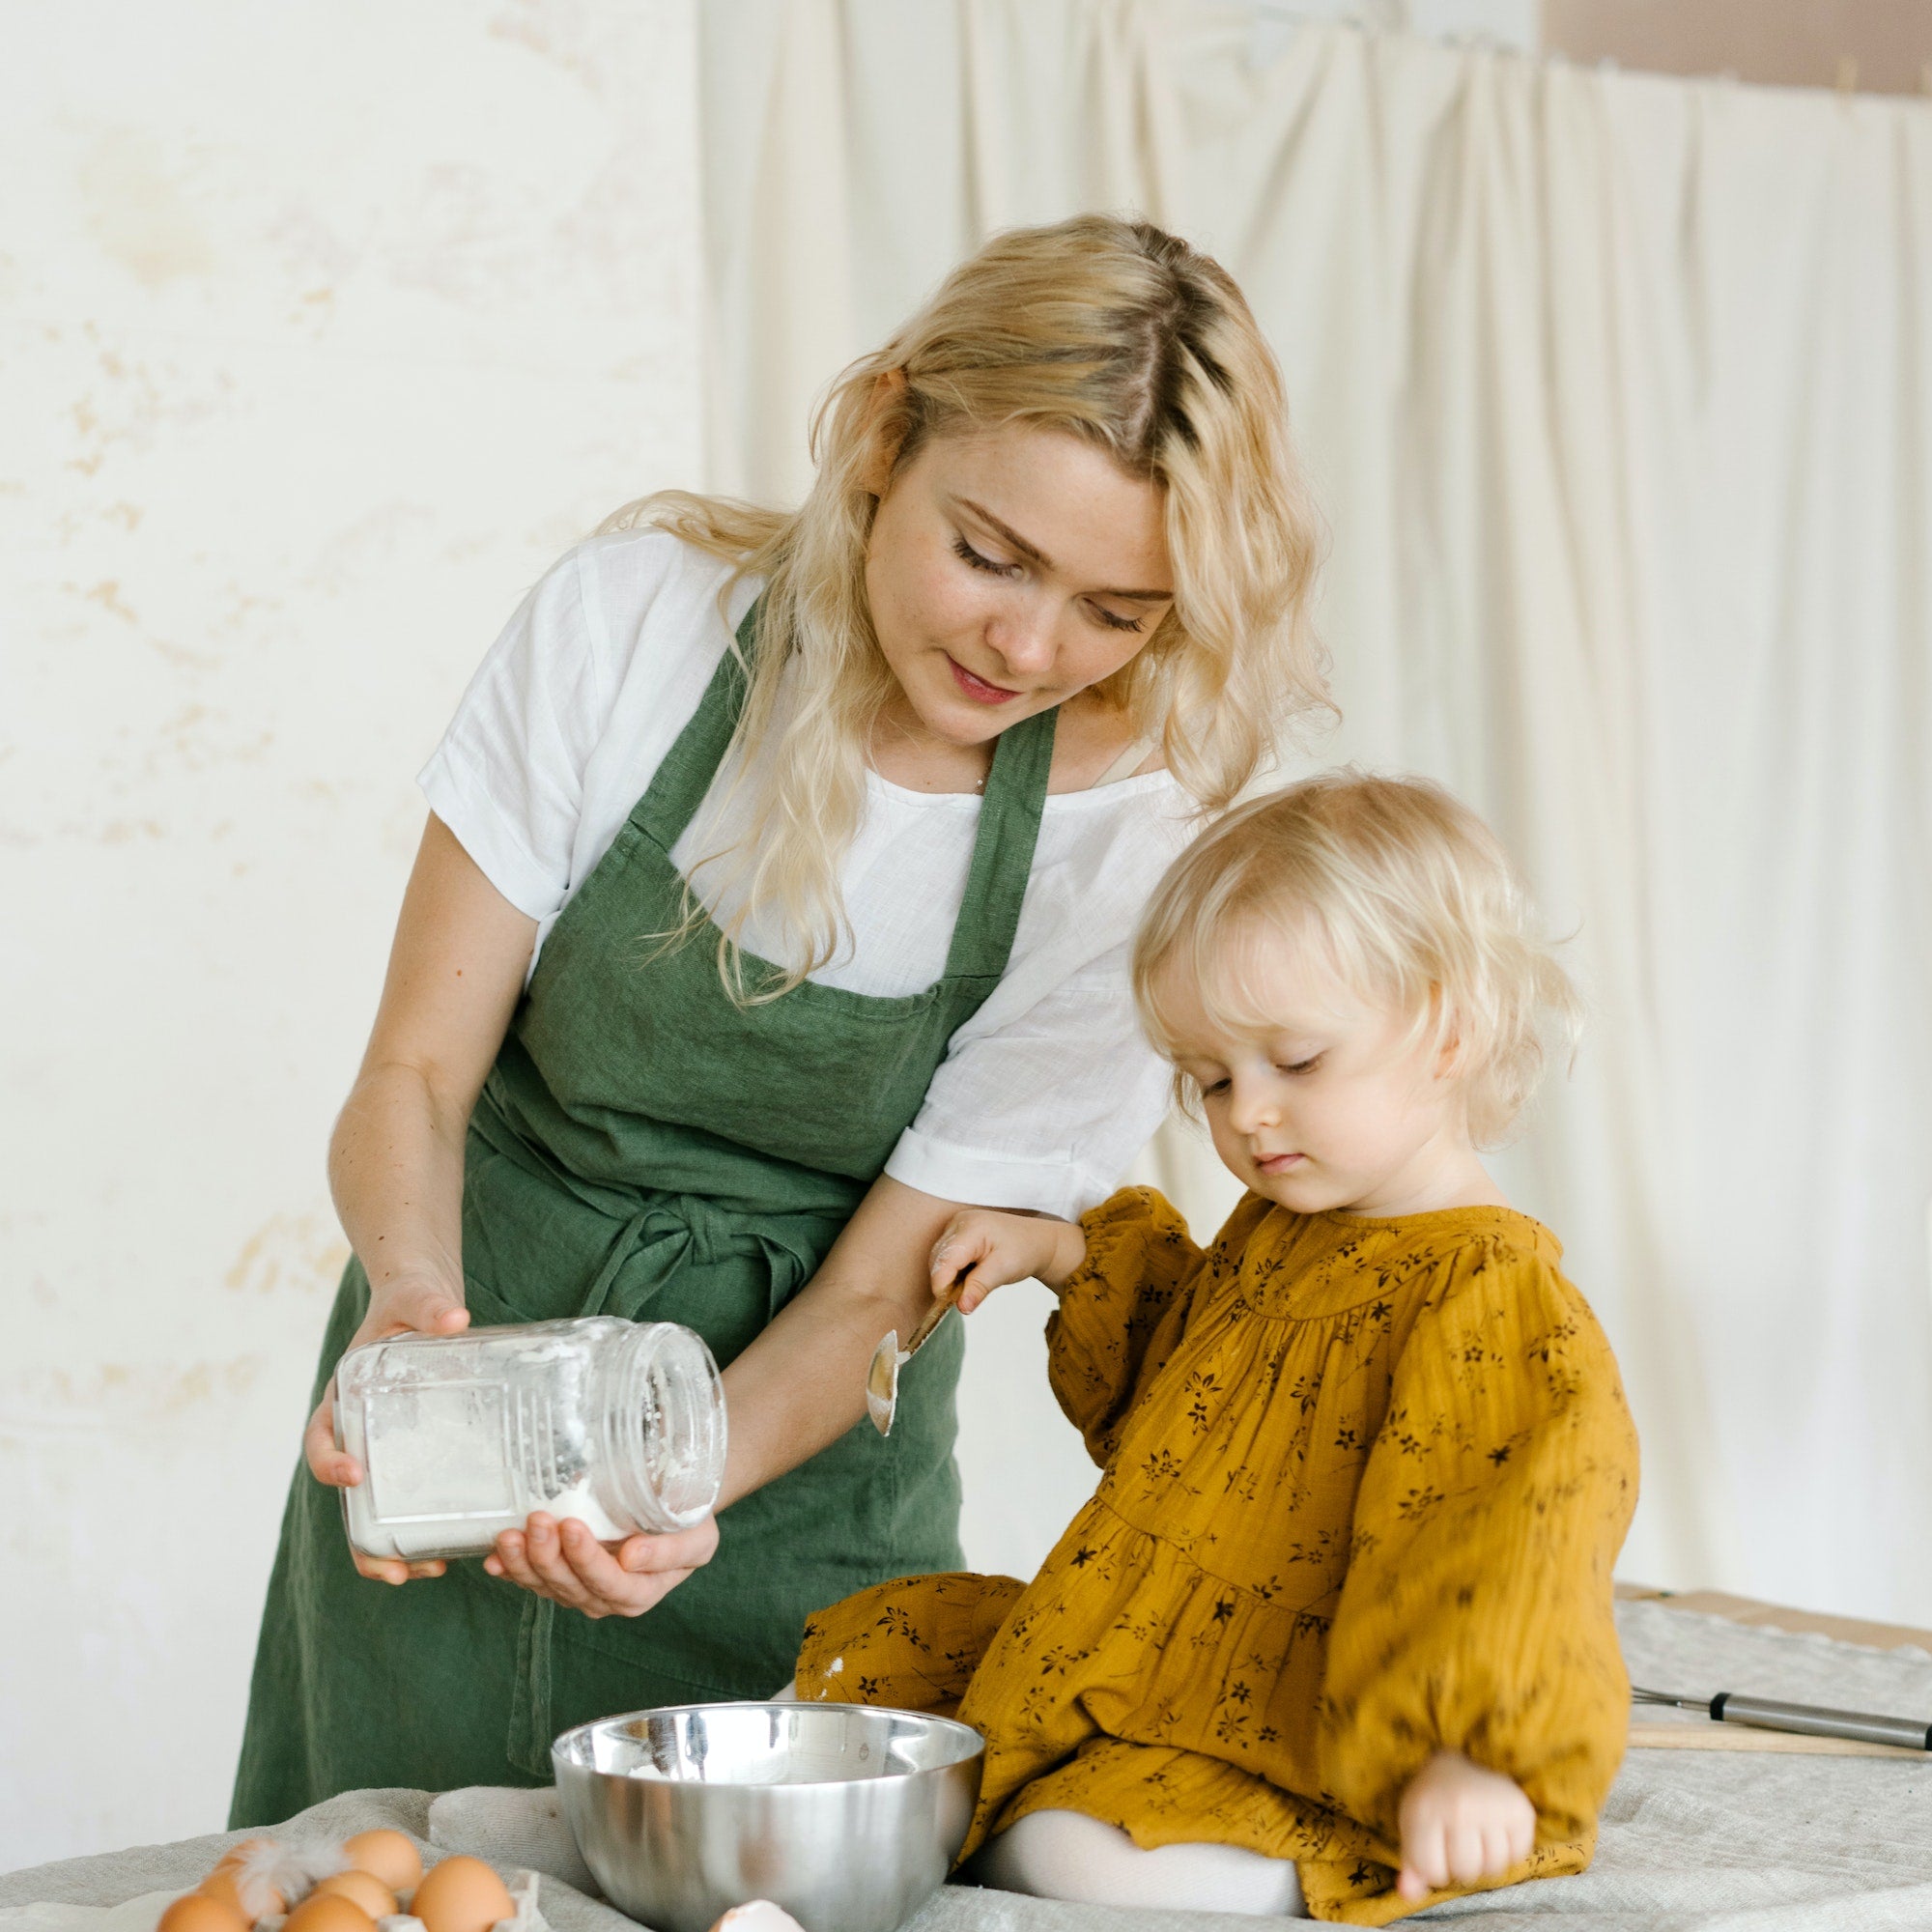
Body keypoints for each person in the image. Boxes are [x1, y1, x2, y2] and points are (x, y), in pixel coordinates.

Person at [228, 214, 1327, 1821]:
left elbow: (886, 1285)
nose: (1028, 648)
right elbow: (412, 1072)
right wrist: (412, 1302)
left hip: (798, 1475)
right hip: (473, 1389)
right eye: (992, 555)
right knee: (382, 1884)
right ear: (885, 432)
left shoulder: (1134, 840)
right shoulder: (636, 629)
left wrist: (671, 1492)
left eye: (1118, 611)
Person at [790, 773, 1640, 1923]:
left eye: (1294, 1062)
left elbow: (1509, 1544)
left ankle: (1377, 1840)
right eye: (1211, 1079)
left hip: (1320, 1718)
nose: (1247, 1115)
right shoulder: (1285, 1228)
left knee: (1072, 1855)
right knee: (870, 1702)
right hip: (1173, 1658)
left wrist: (1467, 1752)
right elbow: (1178, 1411)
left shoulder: (1489, 1296)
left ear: (1447, 1026)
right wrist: (1056, 1253)